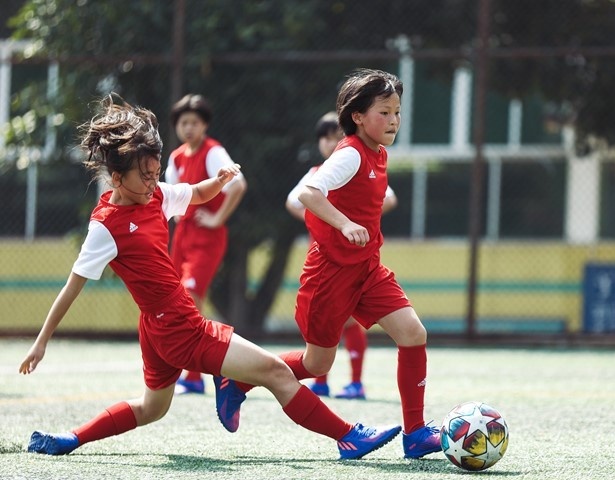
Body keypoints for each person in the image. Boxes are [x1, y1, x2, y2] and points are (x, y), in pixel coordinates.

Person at [18, 95, 401, 460]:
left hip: (159, 326)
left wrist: (219, 180)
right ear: (116, 178)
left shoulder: (153, 196)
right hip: (178, 327)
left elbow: (195, 193)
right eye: (145, 176)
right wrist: (41, 342)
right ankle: (348, 436)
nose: (154, 182)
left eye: (156, 173)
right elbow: (72, 287)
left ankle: (70, 438)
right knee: (274, 371)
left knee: (152, 407)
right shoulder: (105, 227)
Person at [223, 68, 441, 459]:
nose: (393, 121)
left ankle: (416, 434)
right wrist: (344, 223)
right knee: (317, 361)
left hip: (368, 270)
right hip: (330, 275)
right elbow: (308, 192)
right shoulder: (350, 154)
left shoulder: (379, 153)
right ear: (357, 116)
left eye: (397, 112)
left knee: (413, 333)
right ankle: (239, 381)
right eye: (384, 113)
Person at [285, 111, 397, 400]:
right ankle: (318, 381)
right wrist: (330, 222)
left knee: (356, 322)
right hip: (327, 259)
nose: (331, 141)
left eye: (336, 135)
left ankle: (356, 382)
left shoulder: (362, 159)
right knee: (323, 339)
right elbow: (297, 200)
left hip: (360, 259)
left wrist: (361, 219)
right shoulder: (319, 173)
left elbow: (389, 197)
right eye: (325, 136)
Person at [165, 94, 247, 395]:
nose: (188, 128)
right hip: (183, 237)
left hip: (207, 237)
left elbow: (238, 185)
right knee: (177, 301)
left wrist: (217, 219)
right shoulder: (176, 158)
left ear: (205, 125)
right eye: (183, 122)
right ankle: (187, 369)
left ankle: (195, 374)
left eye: (194, 122)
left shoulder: (213, 152)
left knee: (191, 295)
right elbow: (170, 196)